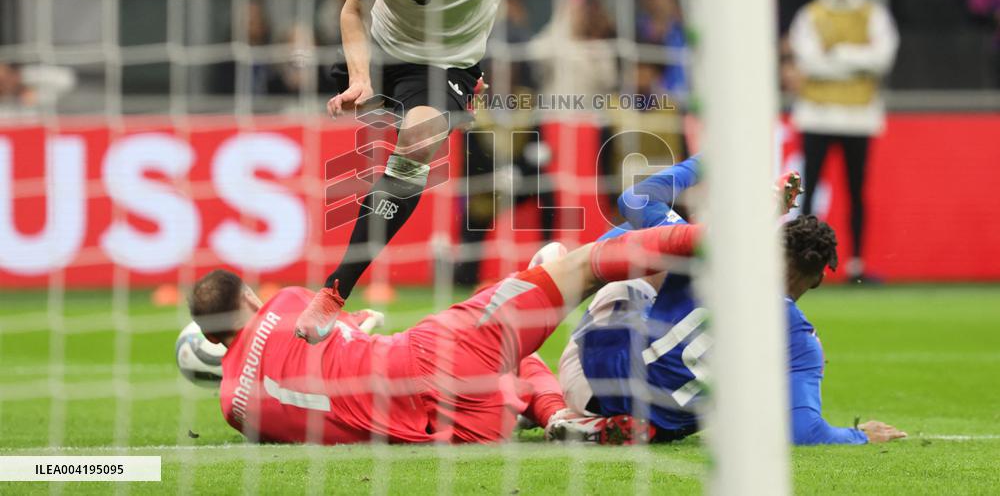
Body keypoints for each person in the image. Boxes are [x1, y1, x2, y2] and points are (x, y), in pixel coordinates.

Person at [296, 0, 696, 343]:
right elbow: (353, 8)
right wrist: (359, 76)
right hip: (380, 51)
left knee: (415, 147)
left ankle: (333, 293)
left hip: (443, 64)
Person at [188, 221, 702, 444]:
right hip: (430, 355)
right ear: (250, 297)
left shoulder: (233, 406)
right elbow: (339, 325)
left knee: (508, 366)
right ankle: (716, 233)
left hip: (454, 432)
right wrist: (357, 323)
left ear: (211, 342)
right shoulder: (283, 303)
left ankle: (555, 415)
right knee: (576, 262)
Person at [552, 159, 906, 445]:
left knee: (641, 257)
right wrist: (859, 435)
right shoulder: (801, 340)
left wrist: (709, 159)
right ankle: (584, 419)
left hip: (596, 382)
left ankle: (554, 271)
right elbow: (805, 431)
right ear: (817, 280)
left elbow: (635, 199)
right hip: (666, 421)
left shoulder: (714, 253)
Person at [787, 0, 899, 283]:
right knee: (809, 190)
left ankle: (856, 264)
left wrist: (835, 53)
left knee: (856, 192)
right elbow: (808, 62)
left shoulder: (874, 14)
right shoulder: (810, 15)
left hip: (858, 117)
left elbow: (882, 59)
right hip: (817, 115)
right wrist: (857, 60)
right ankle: (803, 264)